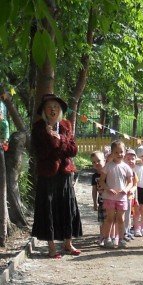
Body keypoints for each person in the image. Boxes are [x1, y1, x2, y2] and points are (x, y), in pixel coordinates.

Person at [31, 93, 82, 258]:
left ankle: (68, 243)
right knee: (49, 209)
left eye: (56, 107)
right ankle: (51, 247)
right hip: (47, 174)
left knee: (67, 207)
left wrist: (59, 138)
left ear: (60, 110)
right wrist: (52, 139)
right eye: (49, 107)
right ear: (44, 110)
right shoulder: (38, 128)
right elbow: (41, 153)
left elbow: (73, 150)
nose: (53, 110)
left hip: (64, 173)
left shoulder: (66, 125)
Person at [99, 140, 135, 249]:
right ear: (112, 153)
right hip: (109, 197)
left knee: (121, 219)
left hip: (122, 198)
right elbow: (101, 181)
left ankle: (121, 239)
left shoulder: (126, 167)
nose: (119, 154)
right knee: (109, 219)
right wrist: (108, 189)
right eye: (116, 152)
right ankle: (107, 239)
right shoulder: (108, 166)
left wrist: (126, 189)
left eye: (121, 152)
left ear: (125, 152)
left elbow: (130, 182)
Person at [90, 150, 106, 243]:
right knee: (101, 220)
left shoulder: (109, 173)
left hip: (110, 201)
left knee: (110, 220)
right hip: (101, 201)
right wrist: (94, 203)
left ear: (104, 160)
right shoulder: (94, 176)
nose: (96, 163)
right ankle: (102, 237)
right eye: (94, 162)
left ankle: (110, 236)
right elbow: (94, 190)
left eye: (98, 161)